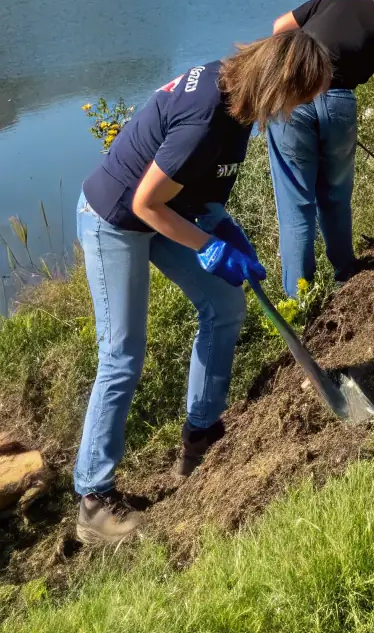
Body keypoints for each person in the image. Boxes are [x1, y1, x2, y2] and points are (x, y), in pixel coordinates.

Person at [74, 31, 333, 546]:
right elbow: (146, 203)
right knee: (122, 353)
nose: (300, 108)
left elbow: (202, 193)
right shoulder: (203, 118)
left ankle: (201, 434)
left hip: (161, 217)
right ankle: (93, 500)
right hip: (114, 219)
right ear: (279, 81)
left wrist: (224, 229)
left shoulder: (237, 104)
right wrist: (210, 249)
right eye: (301, 96)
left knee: (223, 303)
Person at [267, 0, 374, 298]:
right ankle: (344, 277)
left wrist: (288, 70)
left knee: (297, 204)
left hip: (291, 99)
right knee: (336, 198)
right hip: (339, 105)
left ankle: (300, 301)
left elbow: (279, 27)